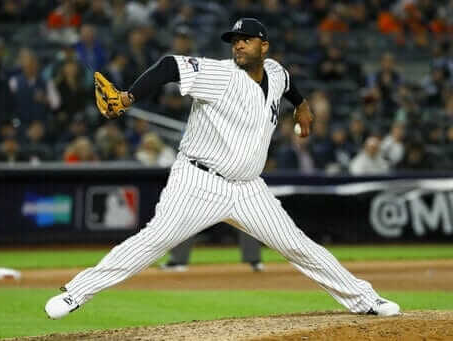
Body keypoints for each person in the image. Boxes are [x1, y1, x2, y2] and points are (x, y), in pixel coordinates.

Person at [45, 18, 400, 319]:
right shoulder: (220, 75)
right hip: (199, 181)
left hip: (247, 188)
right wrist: (126, 98)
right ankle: (76, 292)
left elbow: (288, 83)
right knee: (153, 242)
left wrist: (303, 105)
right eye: (235, 40)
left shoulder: (274, 72)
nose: (238, 45)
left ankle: (365, 300)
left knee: (298, 245)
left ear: (264, 46)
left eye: (246, 40)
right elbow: (169, 65)